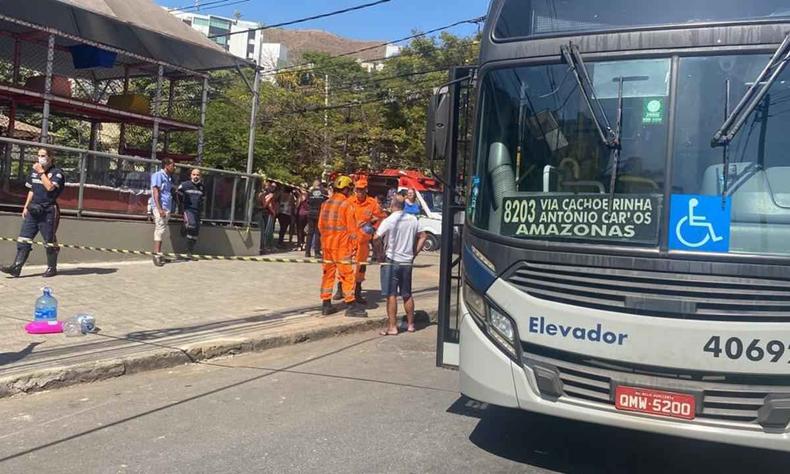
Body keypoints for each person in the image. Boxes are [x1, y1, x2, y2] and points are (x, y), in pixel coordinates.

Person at [1, 148, 65, 278]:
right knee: (24, 238)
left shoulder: (57, 173)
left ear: (51, 157)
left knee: (49, 240)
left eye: (43, 156)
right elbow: (31, 190)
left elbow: (50, 187)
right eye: (39, 155)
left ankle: (52, 268)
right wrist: (25, 206)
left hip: (48, 210)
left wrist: (41, 172)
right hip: (33, 209)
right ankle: (16, 267)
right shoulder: (34, 172)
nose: (40, 158)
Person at [373, 198, 428, 335]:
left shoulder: (389, 220)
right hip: (407, 261)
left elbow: (376, 238)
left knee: (391, 295)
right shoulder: (413, 219)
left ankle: (392, 327)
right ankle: (410, 325)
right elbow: (423, 236)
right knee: (407, 294)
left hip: (391, 261)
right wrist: (414, 253)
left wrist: (379, 255)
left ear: (392, 206)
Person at [318, 175, 367, 318]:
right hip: (341, 246)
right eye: (350, 189)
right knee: (347, 275)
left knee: (328, 274)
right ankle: (351, 305)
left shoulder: (325, 204)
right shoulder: (347, 205)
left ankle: (326, 304)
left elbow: (320, 226)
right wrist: (354, 246)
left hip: (327, 245)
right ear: (345, 189)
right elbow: (352, 230)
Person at [343, 176, 385, 305]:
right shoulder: (349, 202)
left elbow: (380, 216)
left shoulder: (372, 203)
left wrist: (371, 225)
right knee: (344, 266)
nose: (359, 192)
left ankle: (357, 292)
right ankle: (341, 289)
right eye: (357, 190)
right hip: (348, 241)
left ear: (366, 190)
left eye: (362, 190)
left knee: (360, 268)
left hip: (363, 242)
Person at [150, 158, 176, 267]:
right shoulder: (158, 175)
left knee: (163, 230)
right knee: (159, 230)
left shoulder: (169, 178)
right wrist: (159, 209)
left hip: (167, 207)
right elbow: (156, 193)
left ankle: (160, 254)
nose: (174, 168)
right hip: (160, 208)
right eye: (173, 165)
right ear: (166, 165)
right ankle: (156, 255)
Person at [177, 168, 205, 255]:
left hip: (198, 211)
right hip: (188, 209)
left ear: (200, 176)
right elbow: (177, 196)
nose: (196, 176)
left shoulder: (202, 187)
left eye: (197, 175)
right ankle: (184, 227)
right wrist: (180, 207)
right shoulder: (184, 185)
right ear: (190, 175)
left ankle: (189, 250)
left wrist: (203, 211)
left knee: (195, 232)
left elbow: (203, 200)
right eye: (194, 174)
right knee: (191, 225)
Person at [304, 179, 326, 258]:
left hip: (311, 213)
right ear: (320, 184)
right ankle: (317, 252)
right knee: (318, 233)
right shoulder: (324, 192)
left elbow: (308, 202)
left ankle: (307, 252)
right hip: (319, 213)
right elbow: (326, 202)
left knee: (310, 233)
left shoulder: (310, 192)